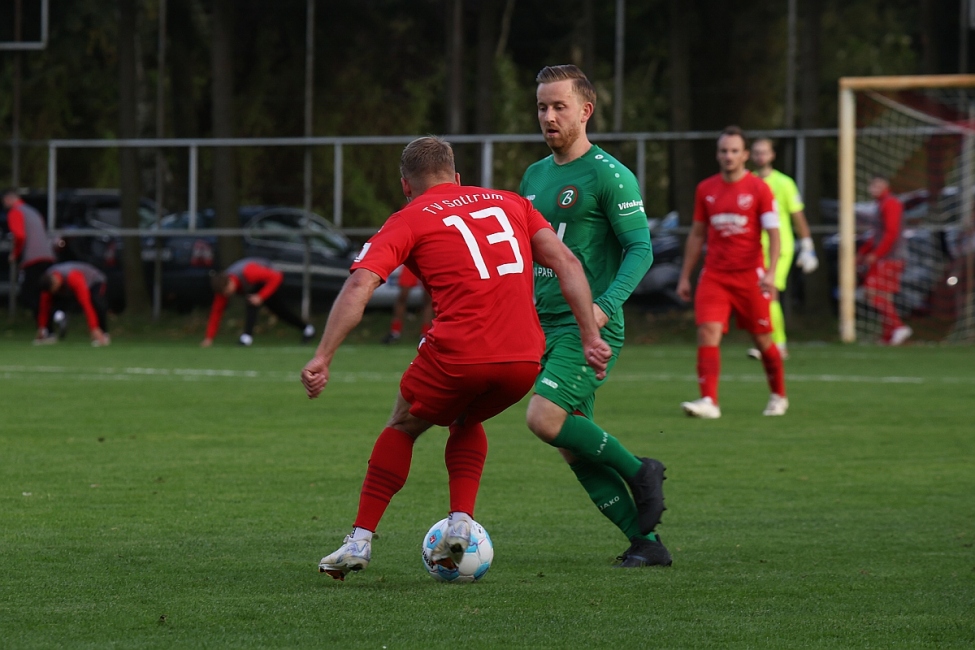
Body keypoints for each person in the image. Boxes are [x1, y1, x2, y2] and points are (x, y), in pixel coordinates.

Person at [303, 136, 612, 580]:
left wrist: (323, 356)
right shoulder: (511, 202)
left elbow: (360, 285)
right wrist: (589, 335)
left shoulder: (409, 217)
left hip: (461, 354)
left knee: (403, 424)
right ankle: (462, 522)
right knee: (466, 418)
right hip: (525, 357)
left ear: (406, 185)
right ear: (458, 177)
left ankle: (360, 540)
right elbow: (567, 262)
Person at [519, 64, 670, 569]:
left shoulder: (609, 174)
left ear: (586, 111)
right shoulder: (534, 176)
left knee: (543, 418)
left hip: (586, 326)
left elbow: (641, 249)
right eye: (542, 106)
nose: (549, 116)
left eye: (559, 106)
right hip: (543, 325)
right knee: (571, 442)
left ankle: (640, 469)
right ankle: (645, 542)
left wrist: (604, 308)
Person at [677, 125, 788, 419]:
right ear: (717, 154)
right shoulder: (706, 189)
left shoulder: (759, 189)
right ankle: (709, 401)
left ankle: (778, 394)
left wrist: (771, 273)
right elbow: (697, 234)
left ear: (745, 155)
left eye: (734, 151)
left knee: (762, 339)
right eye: (724, 151)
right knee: (707, 331)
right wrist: (685, 276)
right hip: (715, 275)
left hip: (750, 276)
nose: (729, 156)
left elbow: (774, 233)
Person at [746, 139, 819, 361]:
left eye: (764, 152)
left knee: (769, 293)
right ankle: (768, 342)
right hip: (755, 249)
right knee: (759, 297)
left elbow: (797, 215)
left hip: (780, 247)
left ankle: (777, 344)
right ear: (750, 155)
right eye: (756, 152)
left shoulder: (784, 183)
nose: (760, 156)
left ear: (772, 155)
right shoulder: (747, 182)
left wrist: (807, 245)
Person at [201, 258, 315, 347]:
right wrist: (209, 338)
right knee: (254, 302)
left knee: (281, 311)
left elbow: (277, 276)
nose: (227, 295)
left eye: (227, 291)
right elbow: (216, 312)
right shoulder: (222, 288)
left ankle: (307, 329)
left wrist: (261, 296)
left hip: (272, 281)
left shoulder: (248, 272)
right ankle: (247, 337)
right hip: (257, 288)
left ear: (230, 282)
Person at [858, 176, 912, 345]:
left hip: (891, 256)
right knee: (883, 296)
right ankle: (888, 334)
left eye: (877, 185)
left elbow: (891, 233)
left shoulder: (891, 203)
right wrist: (863, 252)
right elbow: (877, 235)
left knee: (872, 291)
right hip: (886, 256)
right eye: (872, 185)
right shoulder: (881, 204)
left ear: (886, 186)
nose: (873, 189)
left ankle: (898, 327)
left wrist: (877, 254)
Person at [4, 190, 56, 326]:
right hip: (47, 255)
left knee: (28, 294)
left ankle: (51, 320)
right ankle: (49, 325)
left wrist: (15, 254)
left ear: (8, 199)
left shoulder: (15, 212)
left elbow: (19, 235)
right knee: (44, 293)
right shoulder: (33, 211)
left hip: (33, 258)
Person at [36, 261, 111, 346]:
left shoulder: (73, 277)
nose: (53, 293)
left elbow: (86, 304)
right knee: (50, 304)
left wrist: (93, 327)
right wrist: (42, 328)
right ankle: (48, 333)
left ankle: (102, 334)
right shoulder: (47, 281)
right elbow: (44, 307)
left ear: (55, 282)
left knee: (96, 302)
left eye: (53, 290)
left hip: (94, 282)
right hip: (69, 288)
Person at [381, 265, 433, 344]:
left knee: (428, 299)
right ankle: (395, 332)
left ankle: (425, 334)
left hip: (427, 263)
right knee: (403, 296)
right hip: (412, 262)